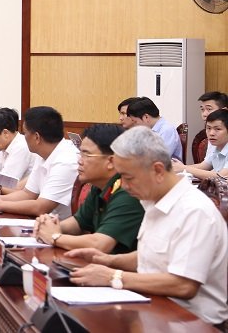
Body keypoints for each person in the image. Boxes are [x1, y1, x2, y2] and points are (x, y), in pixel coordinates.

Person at [67, 126, 228, 327]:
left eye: (128, 178)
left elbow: (184, 285)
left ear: (158, 170)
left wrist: (113, 276)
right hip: (153, 307)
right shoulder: (152, 199)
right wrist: (108, 260)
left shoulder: (194, 211)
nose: (124, 186)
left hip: (191, 322)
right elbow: (152, 256)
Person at [34, 124, 144, 254]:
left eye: (87, 155)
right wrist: (48, 225)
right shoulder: (99, 187)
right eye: (80, 154)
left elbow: (100, 244)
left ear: (111, 161)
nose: (79, 161)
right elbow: (78, 223)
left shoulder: (128, 191)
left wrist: (55, 237)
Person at [0, 106, 78, 219]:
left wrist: (0, 204)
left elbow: (41, 207)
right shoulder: (43, 154)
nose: (23, 137)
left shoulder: (66, 161)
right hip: (42, 221)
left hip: (58, 225)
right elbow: (27, 194)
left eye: (25, 133)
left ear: (36, 137)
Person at [172, 109, 228, 179]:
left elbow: (221, 176)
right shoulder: (214, 145)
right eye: (208, 128)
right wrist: (177, 167)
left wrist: (184, 168)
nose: (211, 133)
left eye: (218, 129)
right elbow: (204, 166)